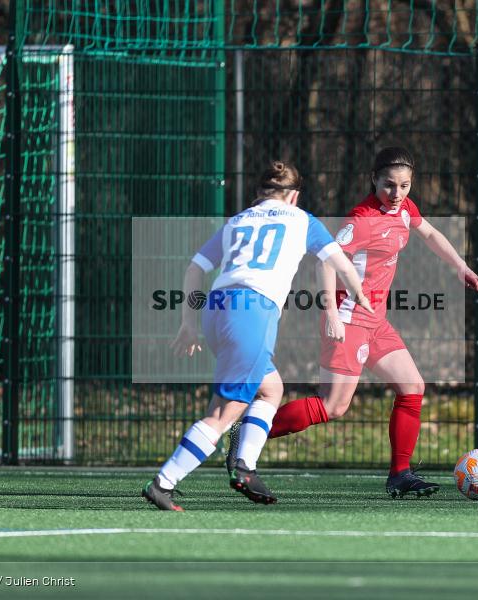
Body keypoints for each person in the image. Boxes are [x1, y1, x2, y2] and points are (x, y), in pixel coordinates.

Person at [229, 147, 478, 498]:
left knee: (412, 387)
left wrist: (461, 266)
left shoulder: (404, 208)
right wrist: (331, 312)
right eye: (389, 186)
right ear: (373, 180)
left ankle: (400, 474)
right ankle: (249, 431)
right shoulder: (360, 219)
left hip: (375, 320)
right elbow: (326, 261)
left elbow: (430, 234)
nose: (397, 194)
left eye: (405, 186)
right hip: (348, 318)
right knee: (333, 405)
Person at [143, 160, 372, 511]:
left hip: (215, 310)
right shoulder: (302, 220)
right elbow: (339, 262)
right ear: (293, 196)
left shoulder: (238, 220)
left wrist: (188, 322)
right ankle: (164, 482)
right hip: (251, 313)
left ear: (258, 194)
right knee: (223, 414)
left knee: (271, 389)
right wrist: (359, 295)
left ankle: (245, 467)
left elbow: (195, 268)